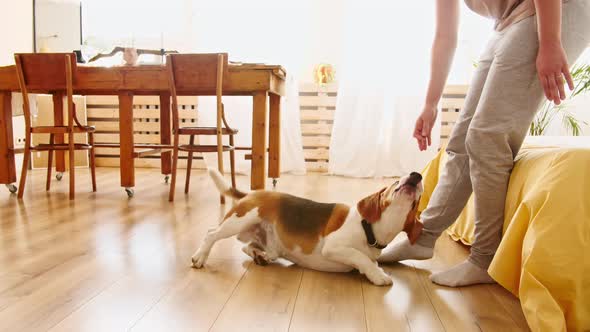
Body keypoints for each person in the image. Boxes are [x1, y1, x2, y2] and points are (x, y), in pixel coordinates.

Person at [379, 0, 590, 287]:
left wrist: (550, 42)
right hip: (511, 19)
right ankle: (423, 237)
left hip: (559, 8)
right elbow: (445, 36)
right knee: (461, 140)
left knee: (487, 136)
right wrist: (430, 104)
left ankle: (485, 258)